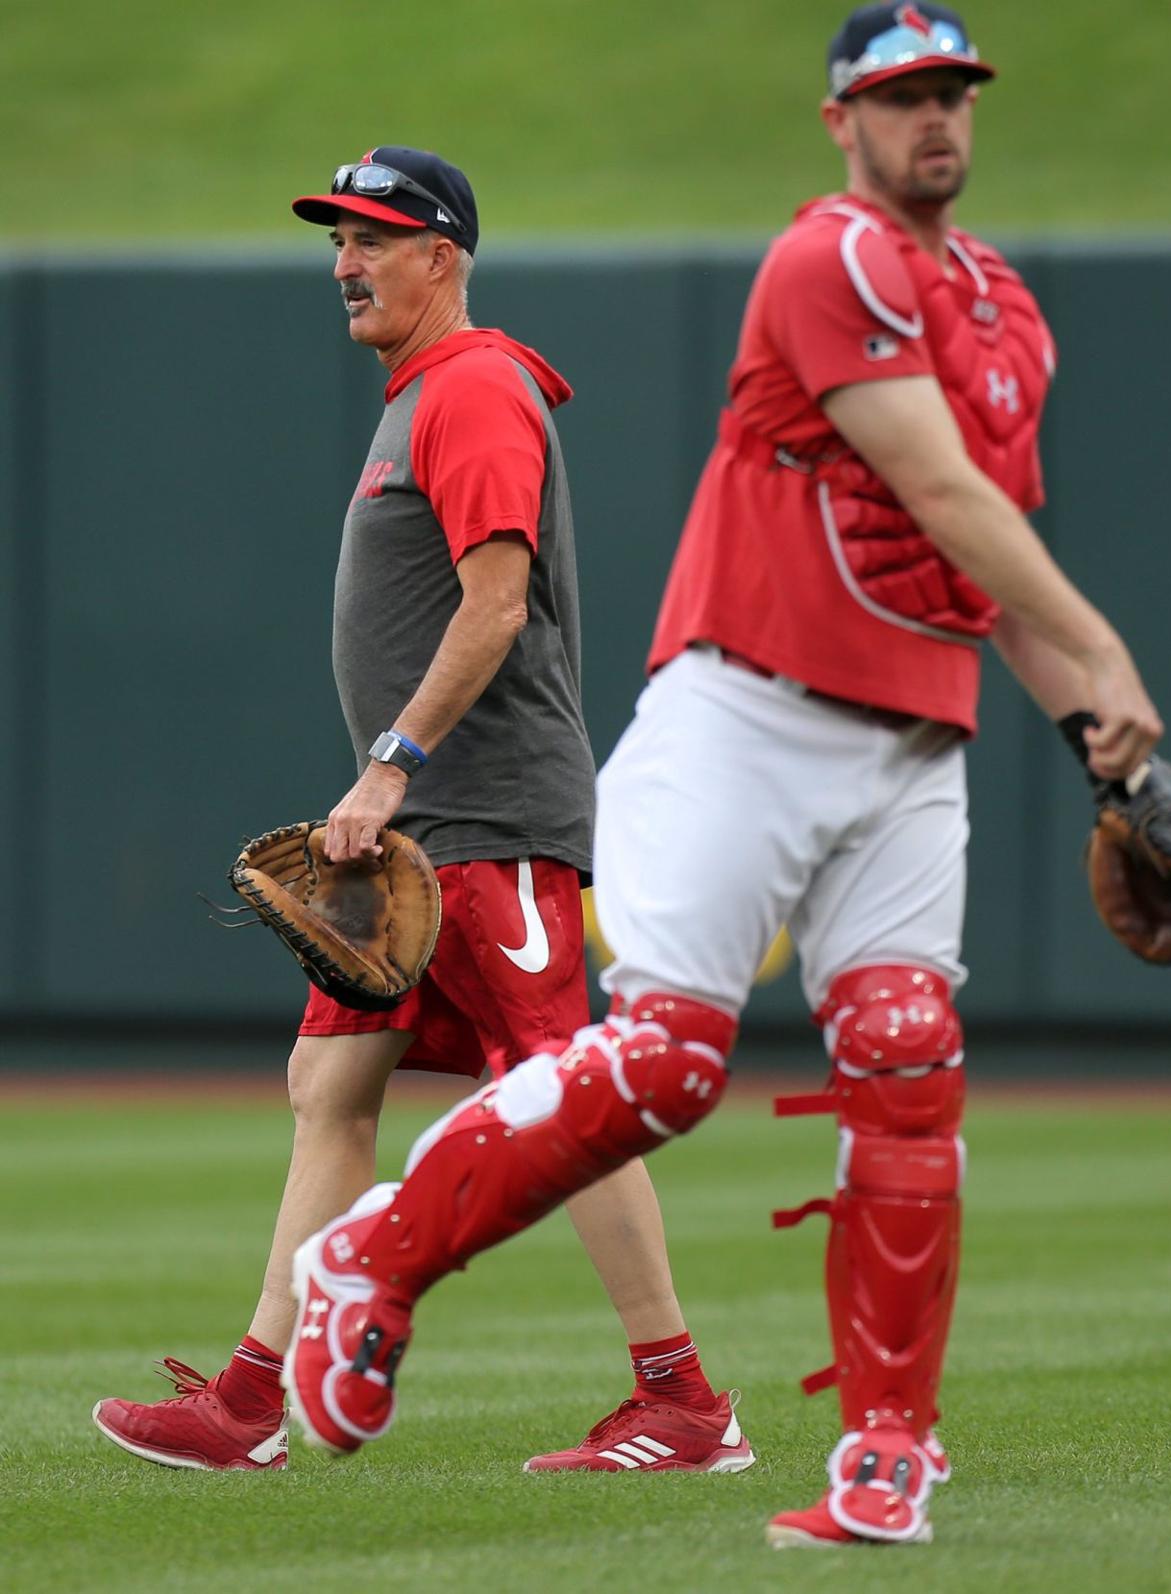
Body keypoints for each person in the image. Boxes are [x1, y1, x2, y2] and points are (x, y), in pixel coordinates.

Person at [291, 3, 1162, 1546]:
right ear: (845, 122)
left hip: (916, 728)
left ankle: (884, 1451)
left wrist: (1097, 739)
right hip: (746, 706)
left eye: (954, 91)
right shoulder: (823, 259)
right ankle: (382, 1256)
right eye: (901, 98)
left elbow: (980, 567)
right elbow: (936, 484)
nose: (934, 120)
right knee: (669, 1061)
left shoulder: (1007, 313)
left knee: (907, 1060)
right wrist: (1112, 662)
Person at [91, 145, 752, 1475]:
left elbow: (497, 603)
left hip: (488, 811)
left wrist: (392, 761)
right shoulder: (419, 396)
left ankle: (682, 1399)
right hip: (427, 829)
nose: (345, 264)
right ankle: (250, 1397)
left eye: (373, 240)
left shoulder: (473, 388)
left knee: (563, 1094)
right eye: (337, 241)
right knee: (330, 1081)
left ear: (442, 254)